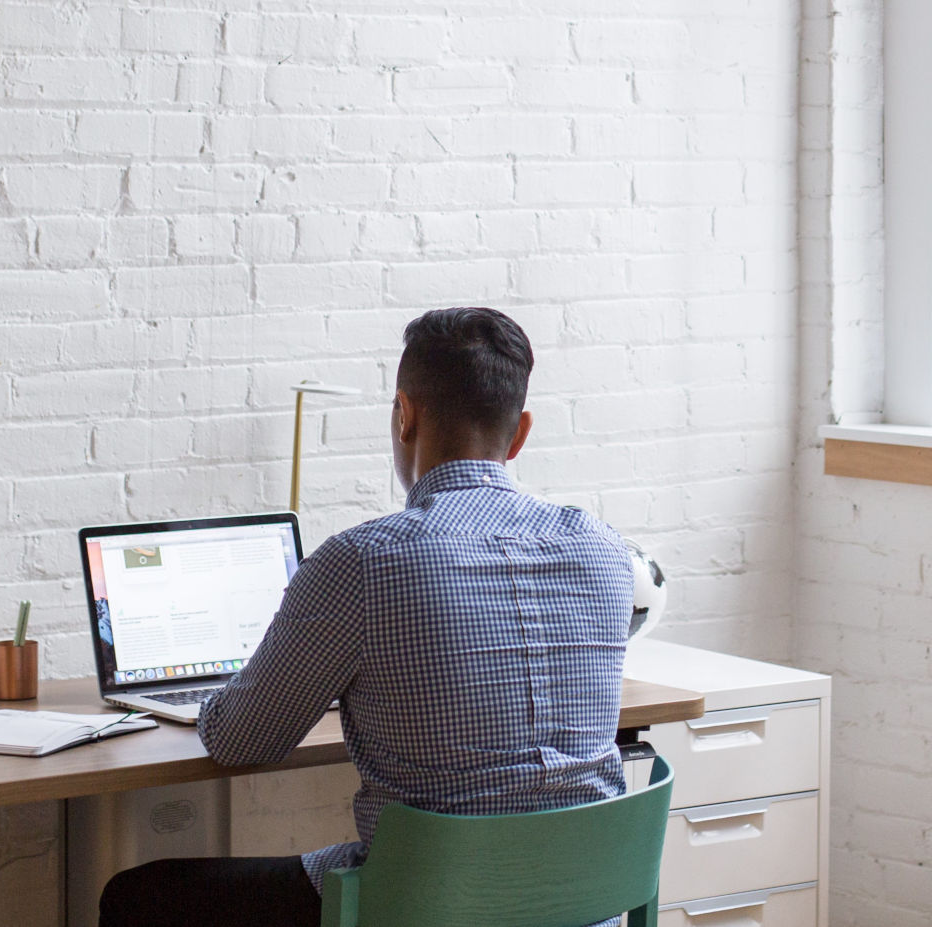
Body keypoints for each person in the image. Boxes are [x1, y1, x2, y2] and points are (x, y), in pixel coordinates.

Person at [98, 307, 634, 927]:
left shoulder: (365, 561)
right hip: (584, 905)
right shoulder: (603, 549)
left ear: (404, 416)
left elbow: (241, 740)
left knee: (139, 897)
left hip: (423, 905)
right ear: (520, 434)